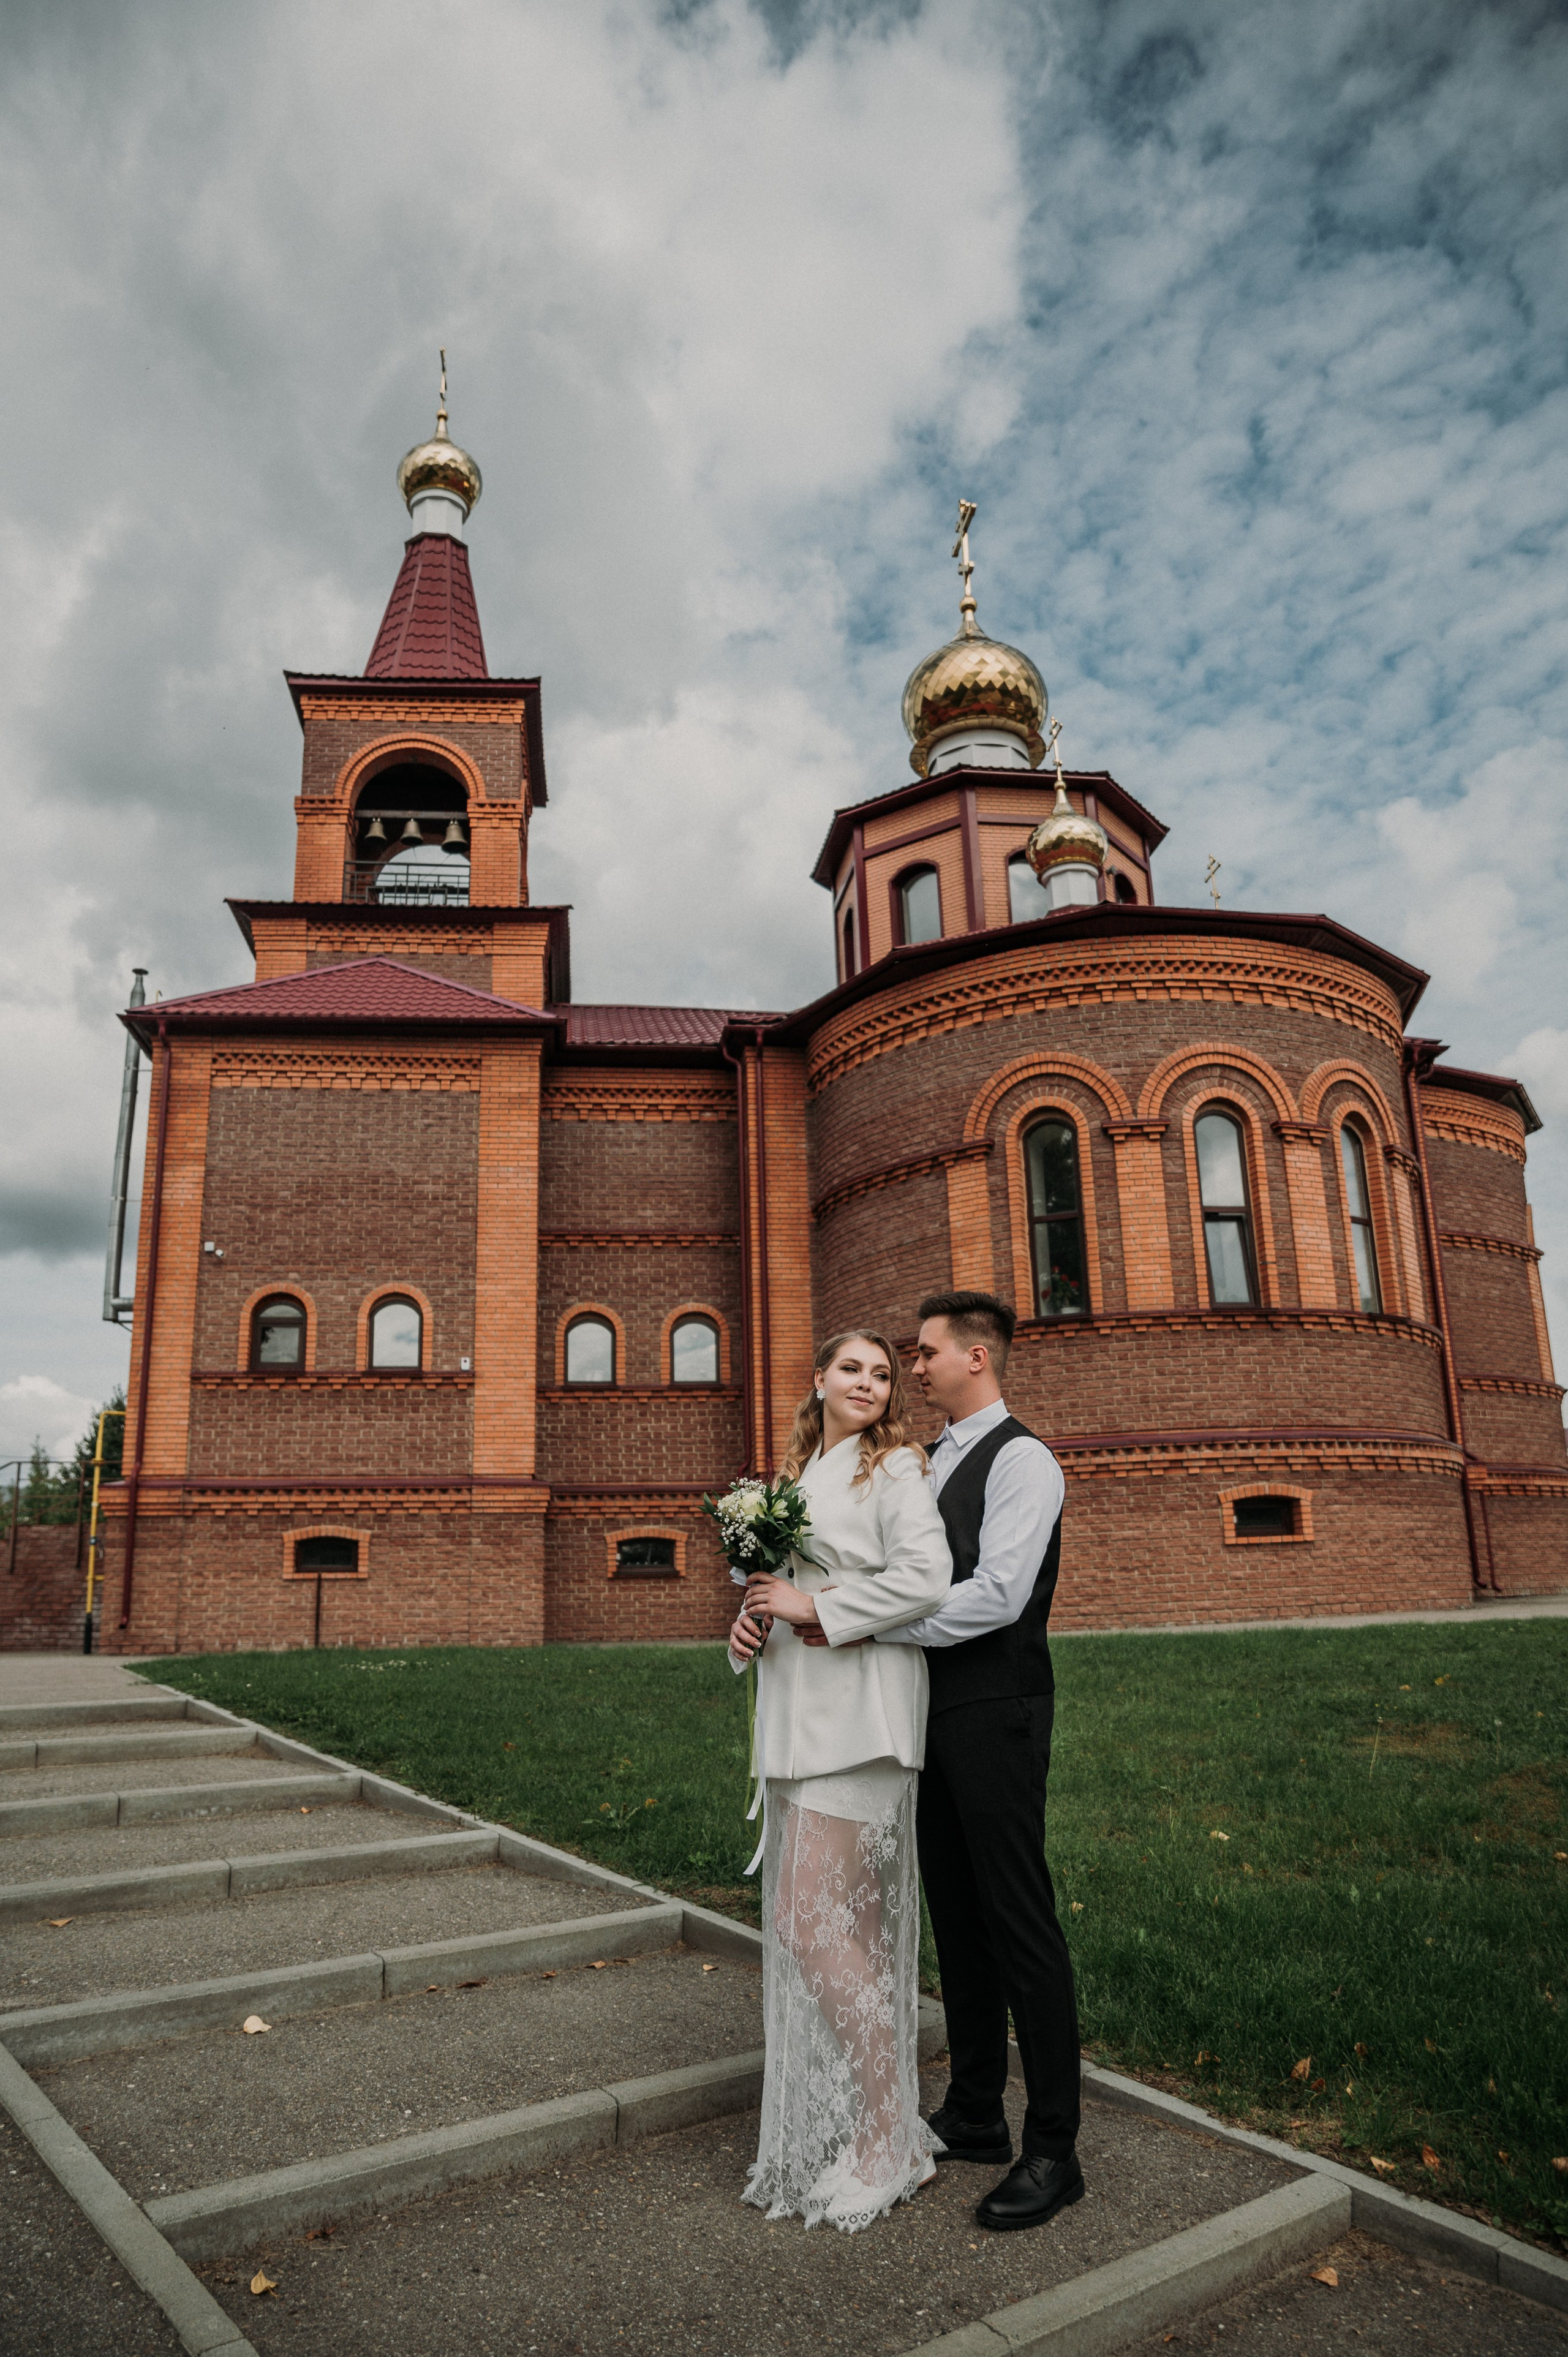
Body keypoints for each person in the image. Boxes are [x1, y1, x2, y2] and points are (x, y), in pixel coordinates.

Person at [728, 1329, 952, 2233]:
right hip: (798, 1719)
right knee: (839, 1929)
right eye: (851, 1368)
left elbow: (928, 1578)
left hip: (861, 1716)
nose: (868, 1382)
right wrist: (748, 1626)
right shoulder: (788, 1484)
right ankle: (878, 2125)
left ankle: (891, 2134)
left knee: (806, 1921)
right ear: (818, 1377)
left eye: (883, 1373)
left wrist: (814, 1607)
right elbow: (772, 1593)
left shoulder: (891, 1469)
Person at [874, 1289, 1083, 2233]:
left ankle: (1053, 2149)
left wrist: (872, 1625)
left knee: (1017, 1922)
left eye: (924, 1354)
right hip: (931, 1709)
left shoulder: (1023, 1459)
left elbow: (999, 1595)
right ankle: (972, 2114)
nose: (912, 1369)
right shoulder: (931, 1460)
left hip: (996, 1707)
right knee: (956, 1918)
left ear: (976, 1359)